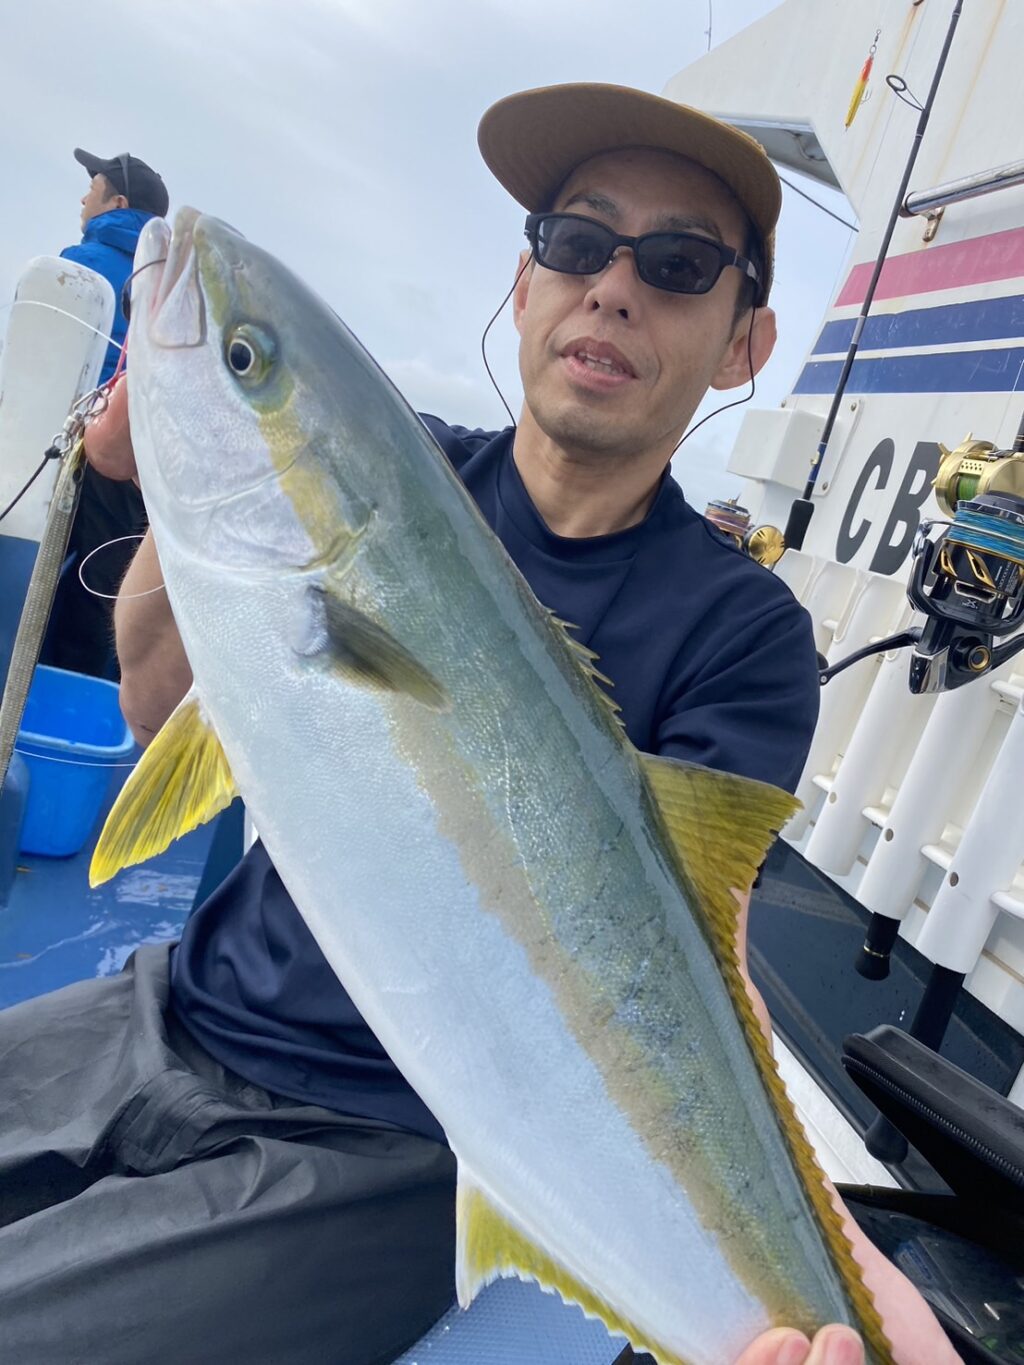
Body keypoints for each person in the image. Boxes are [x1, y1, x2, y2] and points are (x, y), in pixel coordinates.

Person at [0, 86, 958, 1365]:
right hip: (170, 1005)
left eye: (676, 264)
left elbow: (694, 959)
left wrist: (843, 1279)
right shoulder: (413, 467)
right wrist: (184, 465)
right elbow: (157, 702)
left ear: (744, 344)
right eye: (575, 242)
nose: (611, 289)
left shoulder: (740, 630)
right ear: (524, 285)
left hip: (375, 1144)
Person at [40, 150, 169, 680]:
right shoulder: (164, 278)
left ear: (116, 203)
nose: (82, 198)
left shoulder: (78, 266)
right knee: (103, 594)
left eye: (91, 189)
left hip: (77, 451)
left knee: (49, 590)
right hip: (144, 467)